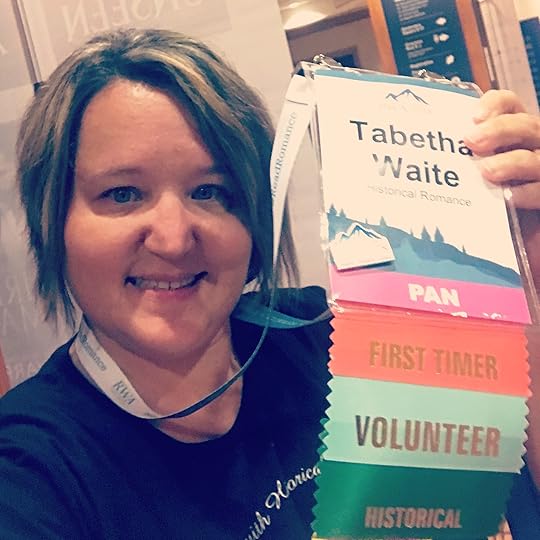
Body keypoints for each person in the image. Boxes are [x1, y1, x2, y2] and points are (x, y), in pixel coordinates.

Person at [0, 27, 537, 539]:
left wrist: (525, 244)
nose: (173, 239)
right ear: (53, 220)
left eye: (210, 191)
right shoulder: (32, 471)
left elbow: (505, 487)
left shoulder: (326, 338)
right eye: (122, 194)